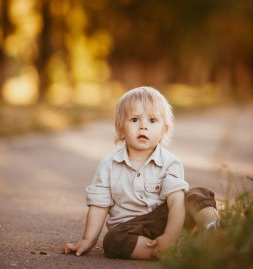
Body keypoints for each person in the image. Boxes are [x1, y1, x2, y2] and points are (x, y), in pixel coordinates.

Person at [63, 86, 219, 260]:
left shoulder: (169, 162)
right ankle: (164, 252)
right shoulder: (109, 164)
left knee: (197, 194)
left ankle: (213, 229)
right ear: (120, 127)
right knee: (113, 240)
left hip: (167, 219)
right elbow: (100, 205)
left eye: (152, 121)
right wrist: (87, 240)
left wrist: (170, 236)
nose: (143, 126)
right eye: (135, 120)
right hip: (130, 228)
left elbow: (176, 202)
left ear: (164, 130)